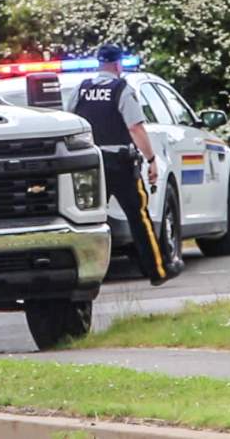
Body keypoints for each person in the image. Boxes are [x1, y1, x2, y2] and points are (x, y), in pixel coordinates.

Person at [68, 45, 184, 285]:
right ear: (118, 65)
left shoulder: (81, 89)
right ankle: (158, 271)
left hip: (90, 163)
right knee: (139, 218)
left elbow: (70, 120)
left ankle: (80, 275)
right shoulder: (122, 90)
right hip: (120, 165)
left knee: (86, 220)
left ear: (99, 64)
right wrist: (151, 160)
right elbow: (135, 127)